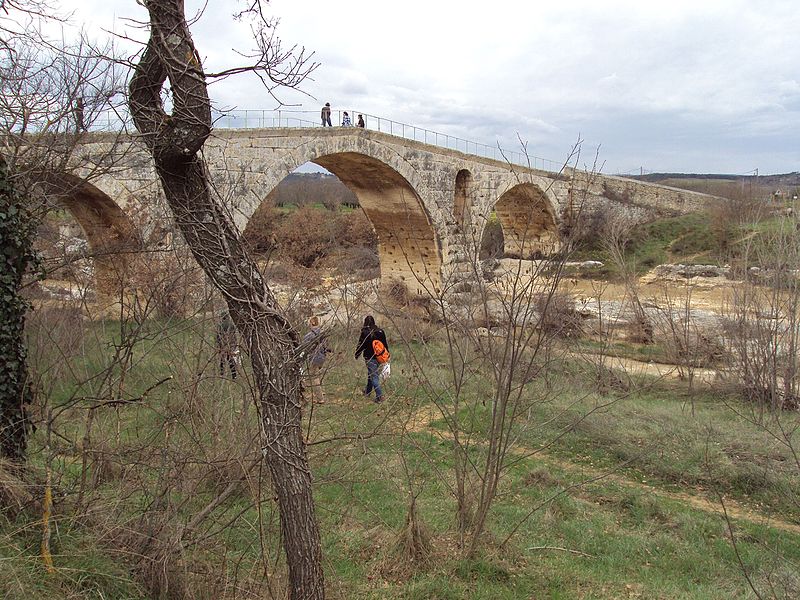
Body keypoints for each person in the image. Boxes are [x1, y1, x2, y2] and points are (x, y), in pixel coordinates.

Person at [354, 315, 388, 403]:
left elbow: (361, 345)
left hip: (370, 357)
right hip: (380, 357)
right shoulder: (380, 331)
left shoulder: (365, 332)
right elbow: (385, 344)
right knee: (371, 374)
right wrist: (387, 355)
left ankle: (380, 397)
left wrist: (357, 354)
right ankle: (367, 392)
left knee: (374, 376)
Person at [302, 316, 329, 404]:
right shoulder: (323, 333)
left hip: (314, 358)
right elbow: (326, 346)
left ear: (312, 323)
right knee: (318, 374)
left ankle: (320, 398)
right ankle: (322, 391)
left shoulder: (309, 336)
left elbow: (304, 347)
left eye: (309, 322)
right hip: (322, 357)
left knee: (314, 377)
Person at [216, 311, 239, 379]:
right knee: (230, 359)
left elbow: (218, 336)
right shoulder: (231, 324)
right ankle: (234, 374)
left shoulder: (220, 325)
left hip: (223, 344)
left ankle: (222, 373)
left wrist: (219, 346)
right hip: (231, 344)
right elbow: (234, 336)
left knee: (222, 359)